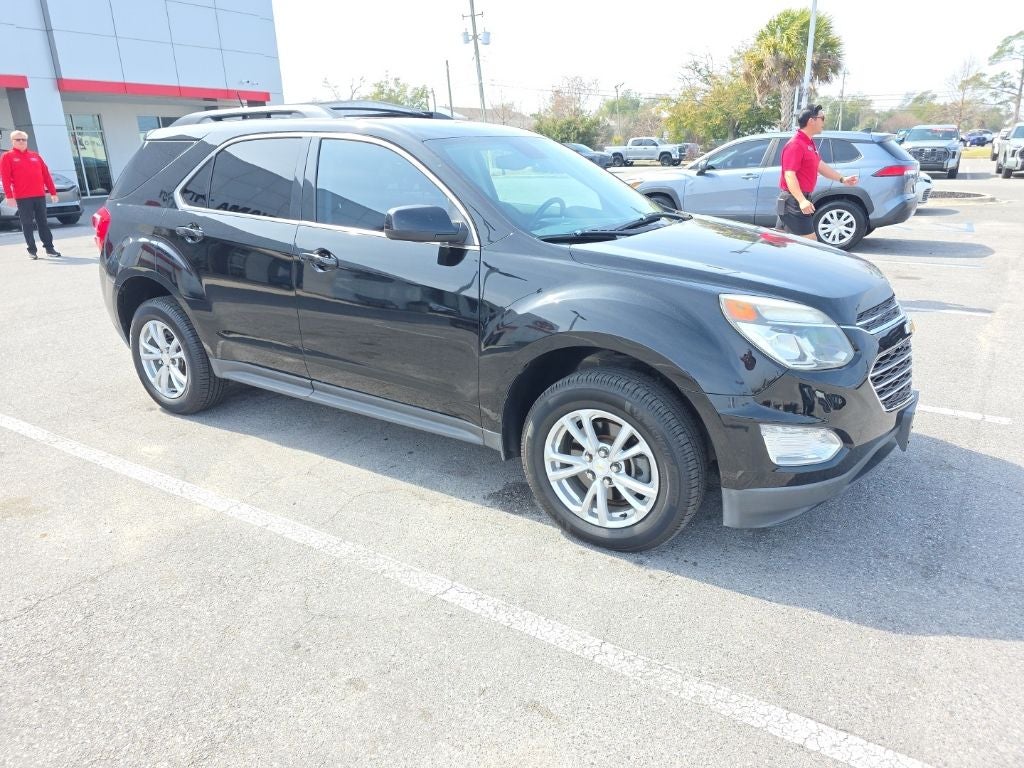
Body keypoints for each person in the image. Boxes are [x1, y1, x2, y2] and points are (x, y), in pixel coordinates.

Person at [777, 105, 858, 241]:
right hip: (794, 201)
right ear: (811, 121)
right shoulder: (795, 144)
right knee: (810, 244)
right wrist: (802, 201)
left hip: (799, 199)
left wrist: (842, 179)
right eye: (822, 118)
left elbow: (820, 166)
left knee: (783, 244)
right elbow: (789, 175)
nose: (823, 122)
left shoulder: (808, 143)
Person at [0, 130, 61, 259]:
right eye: (18, 139)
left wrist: (53, 192)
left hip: (39, 195)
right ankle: (32, 250)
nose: (21, 141)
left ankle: (50, 248)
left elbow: (46, 175)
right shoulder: (7, 156)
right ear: (12, 141)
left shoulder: (35, 156)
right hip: (23, 197)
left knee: (43, 222)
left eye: (23, 139)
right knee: (27, 223)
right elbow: (5, 177)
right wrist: (9, 196)